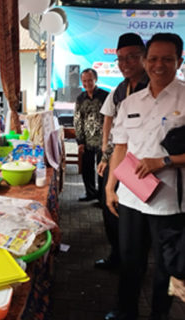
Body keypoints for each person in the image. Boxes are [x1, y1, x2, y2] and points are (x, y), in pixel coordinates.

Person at [105, 33, 185, 320]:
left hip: (170, 203)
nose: (158, 65)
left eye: (167, 59)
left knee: (165, 266)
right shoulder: (130, 102)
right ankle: (126, 312)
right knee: (129, 261)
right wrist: (110, 187)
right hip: (130, 197)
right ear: (144, 60)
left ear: (180, 60)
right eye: (153, 58)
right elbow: (121, 147)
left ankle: (159, 315)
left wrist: (164, 161)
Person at [95, 33, 149, 270]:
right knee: (109, 207)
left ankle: (135, 262)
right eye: (120, 59)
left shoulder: (154, 85)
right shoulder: (119, 90)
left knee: (138, 217)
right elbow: (109, 121)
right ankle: (116, 255)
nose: (125, 64)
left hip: (145, 164)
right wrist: (106, 155)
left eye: (132, 57)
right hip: (119, 158)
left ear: (143, 57)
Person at [73, 68, 108, 201]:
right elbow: (77, 120)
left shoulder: (106, 96)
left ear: (96, 80)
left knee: (102, 169)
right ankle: (90, 193)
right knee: (87, 169)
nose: (87, 83)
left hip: (102, 140)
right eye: (84, 81)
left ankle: (102, 197)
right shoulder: (80, 98)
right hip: (86, 140)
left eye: (90, 80)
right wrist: (80, 141)